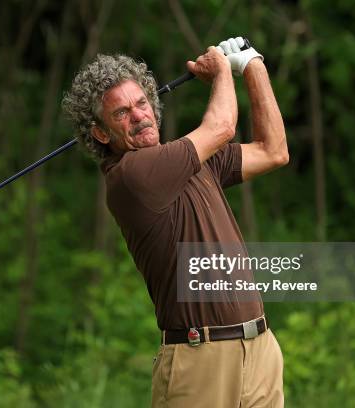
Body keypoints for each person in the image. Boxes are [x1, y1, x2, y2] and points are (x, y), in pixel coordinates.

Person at [62, 37, 288, 407]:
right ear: (101, 134)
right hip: (201, 358)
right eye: (121, 113)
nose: (138, 116)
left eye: (141, 103)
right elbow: (221, 127)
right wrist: (220, 70)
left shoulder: (192, 162)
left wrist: (252, 65)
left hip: (259, 348)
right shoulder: (131, 174)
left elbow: (274, 150)